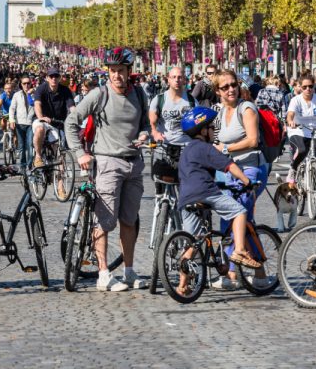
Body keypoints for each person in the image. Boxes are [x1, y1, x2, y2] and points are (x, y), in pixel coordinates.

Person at [64, 47, 150, 292]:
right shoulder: (98, 95)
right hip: (107, 163)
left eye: (120, 71)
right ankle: (103, 274)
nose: (116, 76)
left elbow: (145, 123)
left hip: (134, 163)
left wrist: (144, 133)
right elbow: (72, 121)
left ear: (129, 71)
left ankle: (129, 271)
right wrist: (80, 153)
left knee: (129, 220)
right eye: (112, 71)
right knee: (104, 220)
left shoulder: (140, 95)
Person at [173, 106, 262, 296]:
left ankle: (182, 285)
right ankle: (239, 249)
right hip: (205, 192)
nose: (214, 131)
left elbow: (193, 174)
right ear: (203, 130)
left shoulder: (187, 151)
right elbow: (229, 165)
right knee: (239, 212)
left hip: (185, 198)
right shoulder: (205, 148)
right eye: (212, 128)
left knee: (193, 242)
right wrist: (246, 181)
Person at [211, 69, 267, 289]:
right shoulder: (218, 112)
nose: (231, 89)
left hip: (251, 168)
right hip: (227, 171)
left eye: (233, 84)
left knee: (239, 217)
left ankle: (239, 274)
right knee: (230, 221)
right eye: (225, 87)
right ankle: (246, 274)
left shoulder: (247, 108)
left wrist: (225, 148)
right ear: (218, 91)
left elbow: (253, 140)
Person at [149, 67, 195, 193]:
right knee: (159, 180)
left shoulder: (191, 101)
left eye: (180, 77)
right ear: (168, 79)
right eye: (173, 77)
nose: (177, 80)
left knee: (186, 186)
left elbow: (198, 124)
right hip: (164, 147)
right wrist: (156, 133)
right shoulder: (159, 99)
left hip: (185, 147)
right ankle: (160, 203)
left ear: (184, 80)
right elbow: (151, 124)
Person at [32, 67, 75, 171]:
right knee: (40, 129)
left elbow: (72, 107)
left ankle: (61, 186)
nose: (54, 79)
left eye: (56, 76)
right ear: (47, 78)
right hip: (43, 120)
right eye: (51, 76)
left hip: (58, 123)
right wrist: (41, 117)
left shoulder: (65, 90)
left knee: (60, 153)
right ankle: (38, 156)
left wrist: (77, 118)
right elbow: (37, 104)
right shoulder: (41, 89)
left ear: (59, 78)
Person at [9, 75, 35, 167]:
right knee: (21, 146)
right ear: (21, 84)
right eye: (24, 83)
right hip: (19, 124)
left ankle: (30, 165)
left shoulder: (34, 94)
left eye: (28, 83)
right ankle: (23, 166)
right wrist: (11, 120)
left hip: (31, 124)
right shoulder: (16, 95)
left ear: (31, 83)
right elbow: (12, 108)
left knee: (30, 144)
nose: (26, 85)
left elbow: (36, 105)